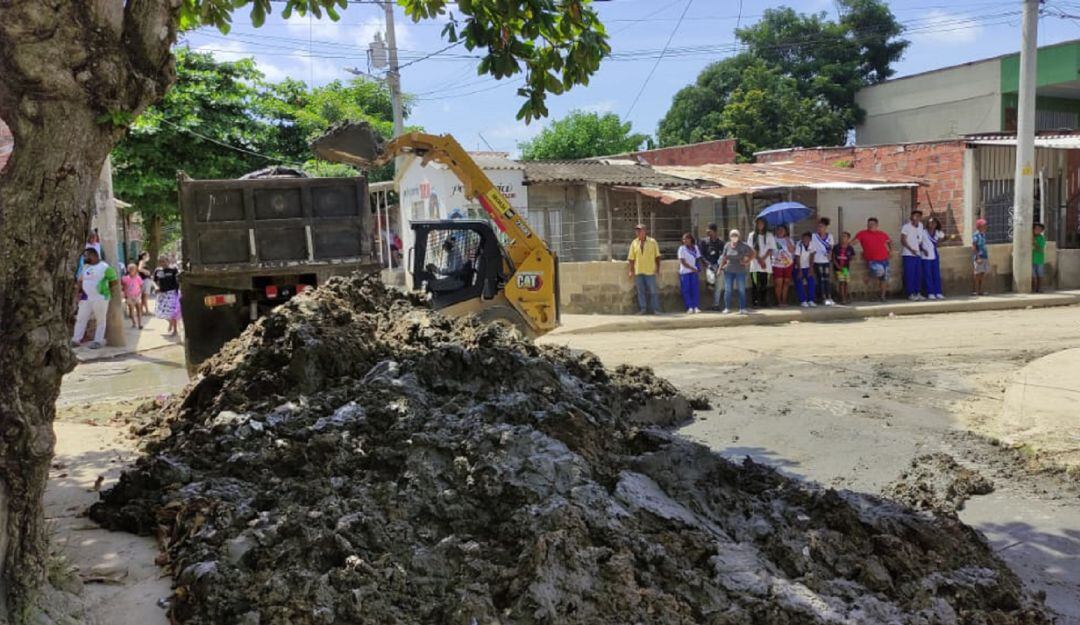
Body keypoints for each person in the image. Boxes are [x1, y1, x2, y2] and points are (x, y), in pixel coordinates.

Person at [71, 246, 119, 349]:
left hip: (100, 298)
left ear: (93, 255)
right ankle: (76, 340)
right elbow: (80, 281)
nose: (84, 258)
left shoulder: (105, 267)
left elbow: (114, 282)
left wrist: (109, 294)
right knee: (81, 318)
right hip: (86, 298)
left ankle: (98, 341)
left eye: (86, 256)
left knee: (100, 320)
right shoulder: (85, 267)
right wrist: (77, 293)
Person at [853, 217, 893, 302]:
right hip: (873, 260)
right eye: (869, 224)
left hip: (884, 258)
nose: (870, 225)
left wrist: (891, 251)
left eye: (872, 224)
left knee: (884, 279)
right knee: (879, 272)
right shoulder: (862, 233)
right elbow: (854, 242)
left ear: (877, 225)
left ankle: (882, 296)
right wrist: (846, 246)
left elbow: (889, 242)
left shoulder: (882, 234)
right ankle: (870, 282)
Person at [627, 224, 662, 314]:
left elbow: (657, 257)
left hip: (650, 271)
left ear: (645, 231)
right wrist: (631, 270)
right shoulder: (634, 243)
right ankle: (643, 309)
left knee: (653, 291)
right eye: (636, 230)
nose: (637, 232)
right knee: (640, 292)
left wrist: (658, 269)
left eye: (640, 230)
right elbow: (631, 258)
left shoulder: (652, 242)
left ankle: (656, 309)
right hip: (638, 271)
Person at [719, 229, 754, 314]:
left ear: (739, 236)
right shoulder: (727, 245)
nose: (734, 237)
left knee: (741, 289)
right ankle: (727, 308)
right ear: (730, 236)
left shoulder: (744, 245)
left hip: (740, 270)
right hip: (728, 270)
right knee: (728, 290)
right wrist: (719, 269)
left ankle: (743, 308)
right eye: (732, 235)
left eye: (736, 235)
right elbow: (724, 258)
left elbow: (753, 253)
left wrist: (747, 262)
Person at [749, 217, 775, 308]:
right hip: (755, 264)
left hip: (766, 264)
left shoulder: (769, 235)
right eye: (758, 223)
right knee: (755, 284)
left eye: (762, 223)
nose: (760, 225)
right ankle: (755, 302)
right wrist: (759, 259)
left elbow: (771, 249)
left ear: (765, 225)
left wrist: (763, 259)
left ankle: (763, 302)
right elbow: (751, 249)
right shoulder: (752, 235)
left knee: (764, 284)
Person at [900, 209, 926, 301]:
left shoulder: (921, 226)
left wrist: (922, 249)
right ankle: (910, 294)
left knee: (918, 274)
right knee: (910, 274)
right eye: (915, 216)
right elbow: (903, 240)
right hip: (908, 254)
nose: (917, 217)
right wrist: (911, 250)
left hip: (918, 254)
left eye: (919, 216)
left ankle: (918, 292)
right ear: (911, 217)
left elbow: (920, 240)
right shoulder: (906, 227)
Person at [153, 256, 182, 336]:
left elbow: (178, 281)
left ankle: (175, 330)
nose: (162, 263)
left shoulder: (173, 270)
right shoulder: (157, 271)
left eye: (164, 261)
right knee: (161, 312)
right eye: (160, 261)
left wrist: (178, 292)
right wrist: (156, 287)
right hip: (162, 294)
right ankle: (171, 323)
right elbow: (154, 281)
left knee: (172, 312)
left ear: (168, 261)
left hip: (172, 293)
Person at [698, 224, 724, 310]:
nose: (708, 233)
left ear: (715, 232)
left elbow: (723, 255)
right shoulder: (704, 242)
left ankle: (716, 305)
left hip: (719, 266)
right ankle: (710, 305)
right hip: (709, 267)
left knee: (718, 287)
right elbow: (701, 255)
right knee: (710, 286)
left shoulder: (720, 242)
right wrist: (709, 265)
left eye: (710, 231)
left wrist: (718, 266)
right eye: (707, 231)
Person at [809, 217, 835, 306]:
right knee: (820, 279)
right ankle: (823, 297)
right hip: (817, 260)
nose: (820, 228)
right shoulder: (814, 236)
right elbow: (811, 248)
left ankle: (829, 296)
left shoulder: (830, 236)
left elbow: (831, 247)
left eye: (822, 226)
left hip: (826, 261)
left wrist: (830, 255)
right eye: (819, 226)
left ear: (825, 227)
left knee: (827, 279)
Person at [677, 233, 703, 313]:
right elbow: (683, 262)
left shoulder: (695, 247)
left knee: (695, 290)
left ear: (691, 239)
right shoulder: (681, 248)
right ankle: (689, 307)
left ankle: (696, 306)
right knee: (686, 290)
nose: (685, 240)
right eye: (684, 239)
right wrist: (693, 268)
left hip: (694, 272)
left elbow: (698, 258)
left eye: (687, 238)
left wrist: (698, 267)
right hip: (685, 273)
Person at [772, 225, 795, 307]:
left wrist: (787, 240)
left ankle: (784, 301)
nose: (781, 231)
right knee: (779, 283)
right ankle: (779, 301)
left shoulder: (789, 239)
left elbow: (792, 250)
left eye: (783, 229)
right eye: (779, 229)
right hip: (777, 264)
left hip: (788, 264)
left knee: (786, 282)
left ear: (786, 231)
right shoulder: (773, 239)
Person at [921, 218, 944, 300]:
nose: (932, 224)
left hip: (935, 255)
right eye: (931, 223)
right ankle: (930, 292)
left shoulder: (938, 232)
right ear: (927, 223)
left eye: (934, 223)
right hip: (925, 256)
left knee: (936, 274)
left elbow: (943, 238)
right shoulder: (923, 232)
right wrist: (923, 250)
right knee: (928, 275)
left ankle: (938, 292)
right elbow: (919, 243)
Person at [832, 232, 856, 305]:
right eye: (842, 237)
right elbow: (833, 258)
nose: (843, 238)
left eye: (845, 237)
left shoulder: (850, 248)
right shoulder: (836, 247)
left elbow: (852, 257)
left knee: (846, 282)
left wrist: (848, 261)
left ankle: (845, 296)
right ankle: (842, 298)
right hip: (838, 268)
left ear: (848, 239)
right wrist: (837, 266)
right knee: (841, 282)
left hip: (845, 268)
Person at [794, 232, 817, 307]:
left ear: (810, 239)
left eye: (807, 238)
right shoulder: (799, 245)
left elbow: (812, 256)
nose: (805, 239)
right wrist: (800, 271)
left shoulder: (812, 244)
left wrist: (811, 268)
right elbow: (797, 258)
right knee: (799, 282)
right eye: (804, 238)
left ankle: (811, 300)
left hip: (807, 267)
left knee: (811, 282)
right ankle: (803, 300)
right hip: (798, 267)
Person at [121, 263, 144, 329]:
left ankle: (140, 324)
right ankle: (134, 322)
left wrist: (140, 294)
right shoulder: (125, 278)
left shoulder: (138, 278)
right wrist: (124, 294)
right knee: (131, 310)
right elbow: (122, 286)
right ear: (128, 270)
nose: (132, 271)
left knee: (139, 309)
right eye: (130, 269)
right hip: (129, 296)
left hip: (137, 295)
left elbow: (141, 286)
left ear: (136, 270)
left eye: (133, 269)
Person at [972, 218, 989, 296]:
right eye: (984, 225)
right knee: (977, 274)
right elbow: (974, 246)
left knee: (983, 273)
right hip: (979, 257)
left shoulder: (983, 234)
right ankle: (976, 290)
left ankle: (981, 290)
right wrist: (978, 257)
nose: (985, 227)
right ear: (979, 226)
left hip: (984, 256)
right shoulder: (976, 235)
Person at [137, 251, 153, 315]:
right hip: (145, 280)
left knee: (143, 296)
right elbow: (139, 269)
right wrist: (146, 271)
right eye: (147, 255)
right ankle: (146, 310)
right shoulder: (142, 261)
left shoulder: (143, 262)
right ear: (143, 256)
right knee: (145, 296)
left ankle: (142, 310)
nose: (148, 257)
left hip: (145, 280)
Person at [1033, 223, 1046, 293]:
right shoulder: (1031, 237)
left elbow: (1041, 249)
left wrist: (1034, 244)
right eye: (1036, 229)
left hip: (1039, 260)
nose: (1037, 230)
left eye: (1039, 229)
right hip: (1031, 260)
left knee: (1040, 275)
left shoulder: (1041, 238)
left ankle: (1039, 288)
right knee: (1033, 276)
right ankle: (1035, 289)